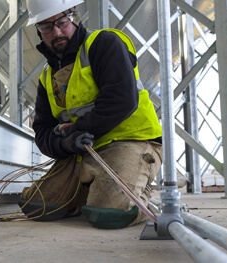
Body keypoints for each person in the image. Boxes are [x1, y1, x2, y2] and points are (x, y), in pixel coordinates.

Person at [18, 0, 162, 229]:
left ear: (73, 16)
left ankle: (138, 191)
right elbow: (43, 131)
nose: (56, 32)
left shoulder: (104, 44)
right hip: (82, 151)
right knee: (36, 206)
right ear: (38, 30)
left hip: (131, 141)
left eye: (61, 22)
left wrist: (75, 131)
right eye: (46, 27)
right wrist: (66, 144)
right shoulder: (47, 77)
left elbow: (121, 100)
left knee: (110, 212)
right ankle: (92, 189)